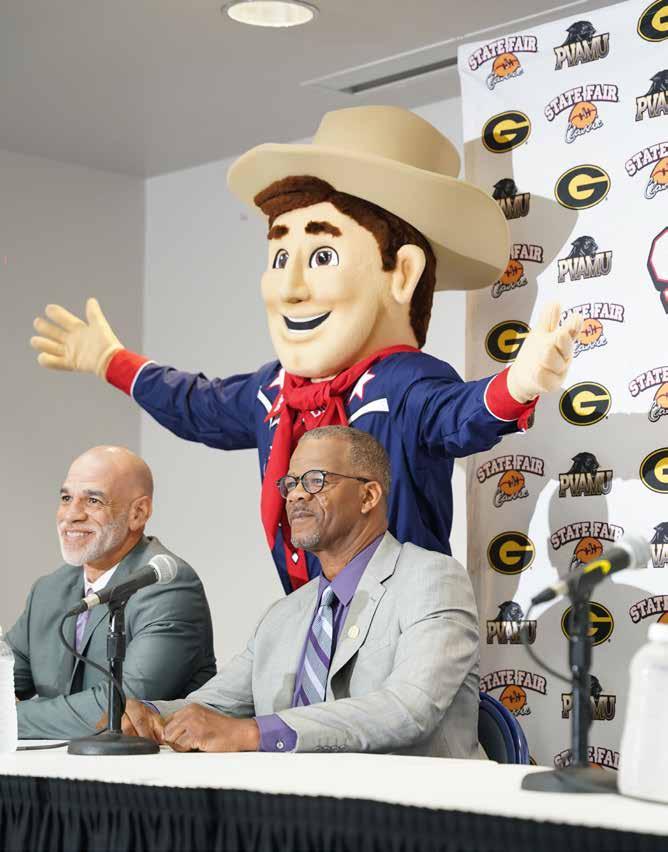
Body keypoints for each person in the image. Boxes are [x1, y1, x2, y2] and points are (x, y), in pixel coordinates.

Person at [30, 105, 582, 594]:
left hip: (402, 621)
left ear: (402, 274)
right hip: (311, 617)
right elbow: (199, 405)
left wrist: (516, 384)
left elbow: (457, 415)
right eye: (279, 258)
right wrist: (112, 360)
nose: (290, 288)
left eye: (321, 257)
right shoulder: (274, 391)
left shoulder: (402, 384)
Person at [116, 426, 480, 757]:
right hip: (293, 804)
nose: (296, 496)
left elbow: (409, 709)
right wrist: (148, 714)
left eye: (316, 480)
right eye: (290, 484)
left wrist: (254, 733)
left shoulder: (433, 579)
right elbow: (209, 708)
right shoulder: (283, 615)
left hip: (412, 804)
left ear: (368, 496)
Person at [7, 445, 216, 740]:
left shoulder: (167, 586)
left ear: (138, 513)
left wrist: (10, 718)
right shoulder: (48, 589)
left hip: (147, 767)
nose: (71, 515)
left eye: (93, 500)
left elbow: (118, 708)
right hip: (58, 762)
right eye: (66, 498)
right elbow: (5, 678)